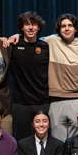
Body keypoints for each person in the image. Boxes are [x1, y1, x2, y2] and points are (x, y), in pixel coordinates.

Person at [10, 12, 50, 140]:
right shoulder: (14, 46)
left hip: (42, 102)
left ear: (39, 27)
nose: (31, 27)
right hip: (21, 104)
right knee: (21, 141)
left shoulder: (45, 47)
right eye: (27, 24)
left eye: (34, 24)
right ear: (22, 28)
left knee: (43, 140)